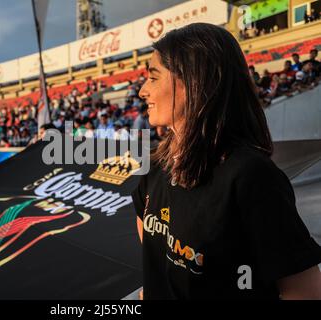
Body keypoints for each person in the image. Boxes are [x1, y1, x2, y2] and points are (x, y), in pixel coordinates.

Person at [134, 23, 321, 300]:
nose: (142, 92)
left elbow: (305, 292)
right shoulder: (158, 164)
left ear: (194, 82)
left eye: (153, 78)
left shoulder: (251, 175)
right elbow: (155, 254)